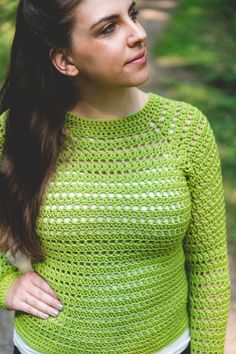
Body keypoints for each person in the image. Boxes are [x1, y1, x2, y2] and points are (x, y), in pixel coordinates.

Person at [0, 0, 231, 353]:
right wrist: (6, 285)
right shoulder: (17, 131)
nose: (138, 35)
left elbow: (208, 266)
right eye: (108, 28)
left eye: (133, 15)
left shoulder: (185, 129)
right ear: (65, 60)